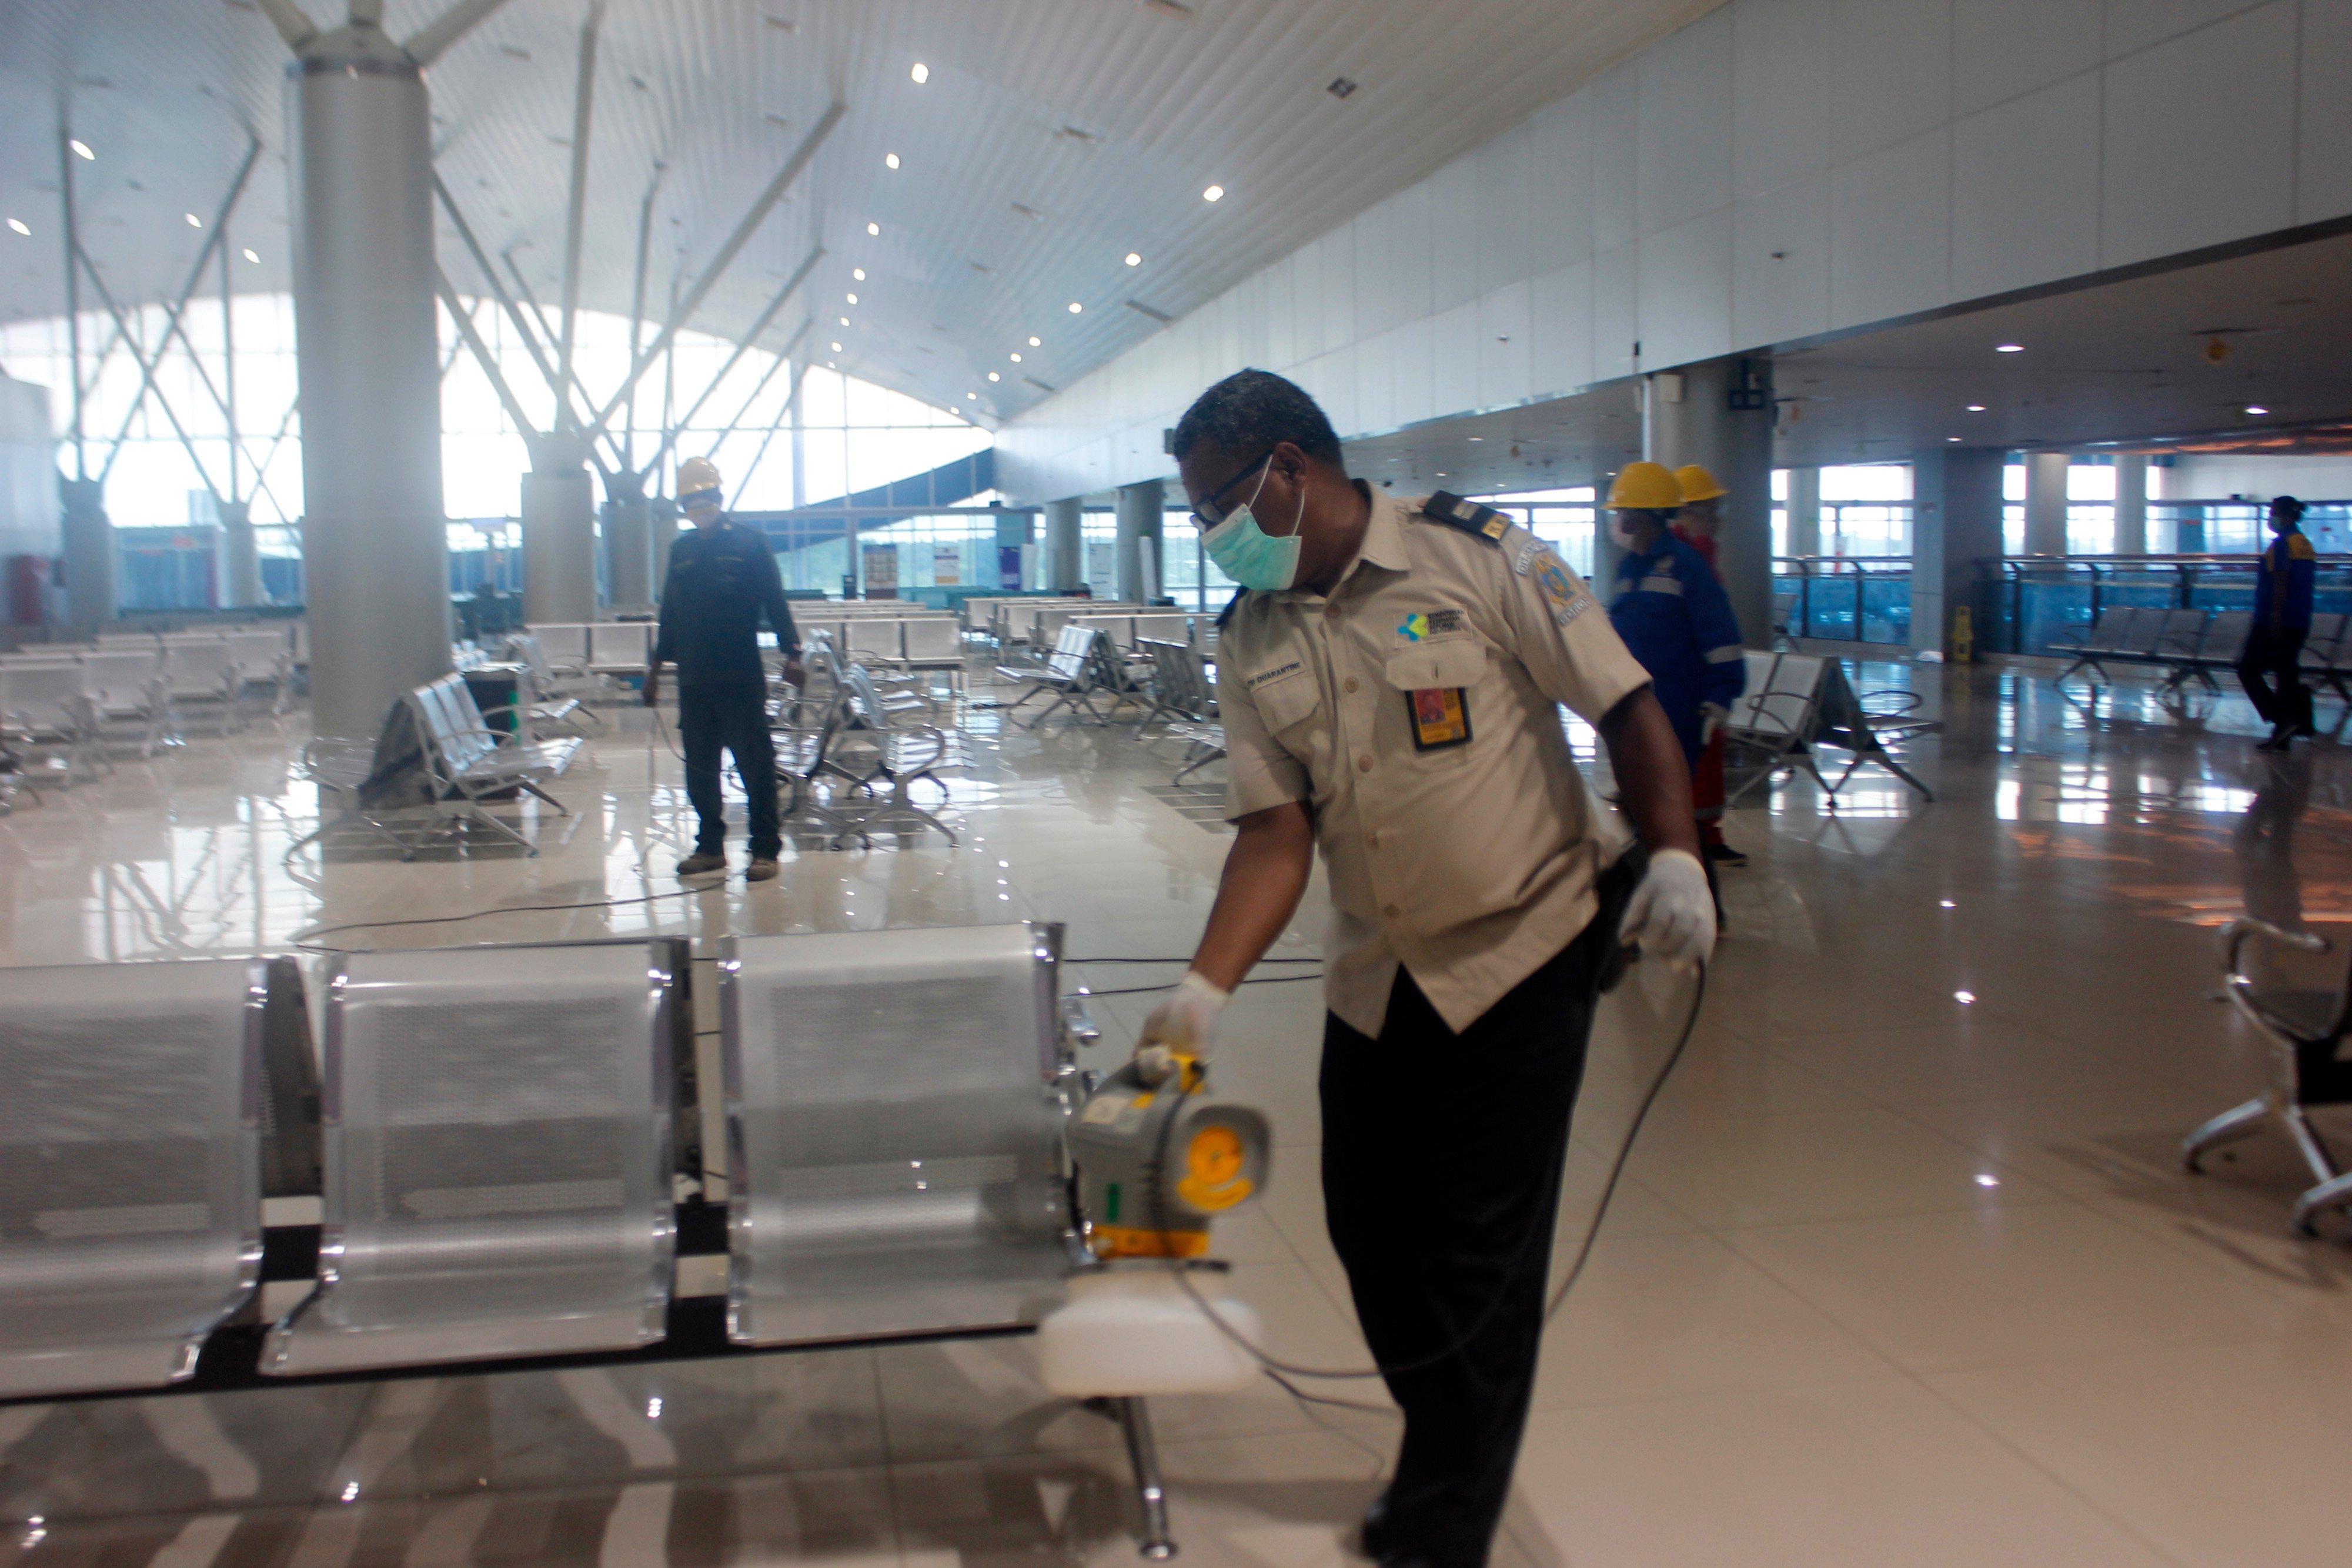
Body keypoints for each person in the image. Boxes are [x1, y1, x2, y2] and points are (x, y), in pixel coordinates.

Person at [1137, 369, 1715, 1568]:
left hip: (1528, 946)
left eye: (1219, 506)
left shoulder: (1479, 558)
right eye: (1198, 515)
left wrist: (1673, 851)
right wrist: (1196, 996)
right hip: (1375, 971)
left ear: (1290, 469)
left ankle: (1444, 1518)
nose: (1213, 537)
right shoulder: (1250, 635)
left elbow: (1621, 702)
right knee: (1368, 1235)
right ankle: (1444, 1444)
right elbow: (1273, 833)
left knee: (1474, 1252)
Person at [644, 456, 804, 881]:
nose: (701, 506)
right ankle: (710, 847)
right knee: (700, 768)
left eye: (707, 497)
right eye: (692, 500)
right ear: (683, 504)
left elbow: (774, 598)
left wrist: (793, 652)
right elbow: (670, 611)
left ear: (719, 496)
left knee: (755, 764)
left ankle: (765, 849)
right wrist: (656, 667)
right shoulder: (681, 550)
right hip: (694, 678)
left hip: (739, 676)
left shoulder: (749, 542)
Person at [1605, 463, 1747, 924]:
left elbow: (1720, 635)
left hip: (1679, 713)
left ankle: (1674, 907)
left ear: (1646, 515)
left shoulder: (1686, 566)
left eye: (1625, 511)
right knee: (1650, 809)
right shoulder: (1630, 569)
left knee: (1662, 808)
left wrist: (1720, 699)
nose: (1618, 520)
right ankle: (1677, 904)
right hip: (1636, 712)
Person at [1669, 463, 1740, 867]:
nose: (1718, 520)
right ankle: (1696, 838)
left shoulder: (1697, 556)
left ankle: (1706, 836)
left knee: (1707, 765)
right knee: (1694, 766)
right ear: (1686, 512)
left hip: (1696, 685)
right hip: (1688, 686)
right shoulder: (1689, 559)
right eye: (1711, 511)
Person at [2240, 494, 2315, 752]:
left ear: (2286, 515)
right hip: (2300, 620)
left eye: (2273, 512)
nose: (2270, 517)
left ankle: (2283, 718)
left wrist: (2274, 618)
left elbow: (2281, 583)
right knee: (2286, 673)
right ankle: (2285, 731)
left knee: (2248, 669)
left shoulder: (2282, 545)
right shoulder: (2304, 544)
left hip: (2275, 620)